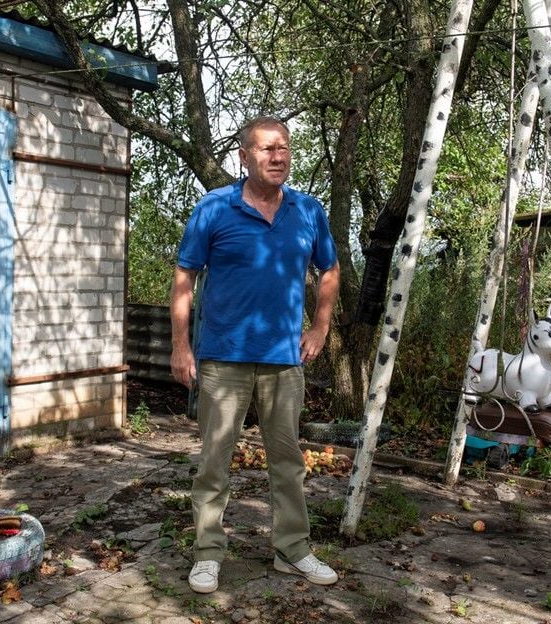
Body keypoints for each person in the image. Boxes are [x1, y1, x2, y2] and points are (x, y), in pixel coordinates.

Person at [170, 116, 342, 594]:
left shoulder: (308, 212)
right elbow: (184, 278)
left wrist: (321, 327)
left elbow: (330, 270)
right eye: (267, 149)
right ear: (243, 157)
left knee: (288, 462)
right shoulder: (214, 209)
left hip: (284, 360)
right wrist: (181, 346)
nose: (278, 156)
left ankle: (293, 550)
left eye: (284, 148)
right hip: (223, 357)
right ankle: (207, 553)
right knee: (215, 461)